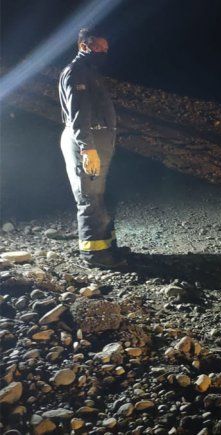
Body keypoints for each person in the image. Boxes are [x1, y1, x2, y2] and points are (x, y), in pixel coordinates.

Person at [58, 28, 124, 268]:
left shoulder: (89, 72)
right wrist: (88, 149)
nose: (103, 51)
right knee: (90, 199)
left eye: (105, 48)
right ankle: (95, 256)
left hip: (97, 144)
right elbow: (79, 117)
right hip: (87, 146)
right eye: (98, 47)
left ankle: (107, 248)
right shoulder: (76, 73)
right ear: (84, 46)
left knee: (103, 198)